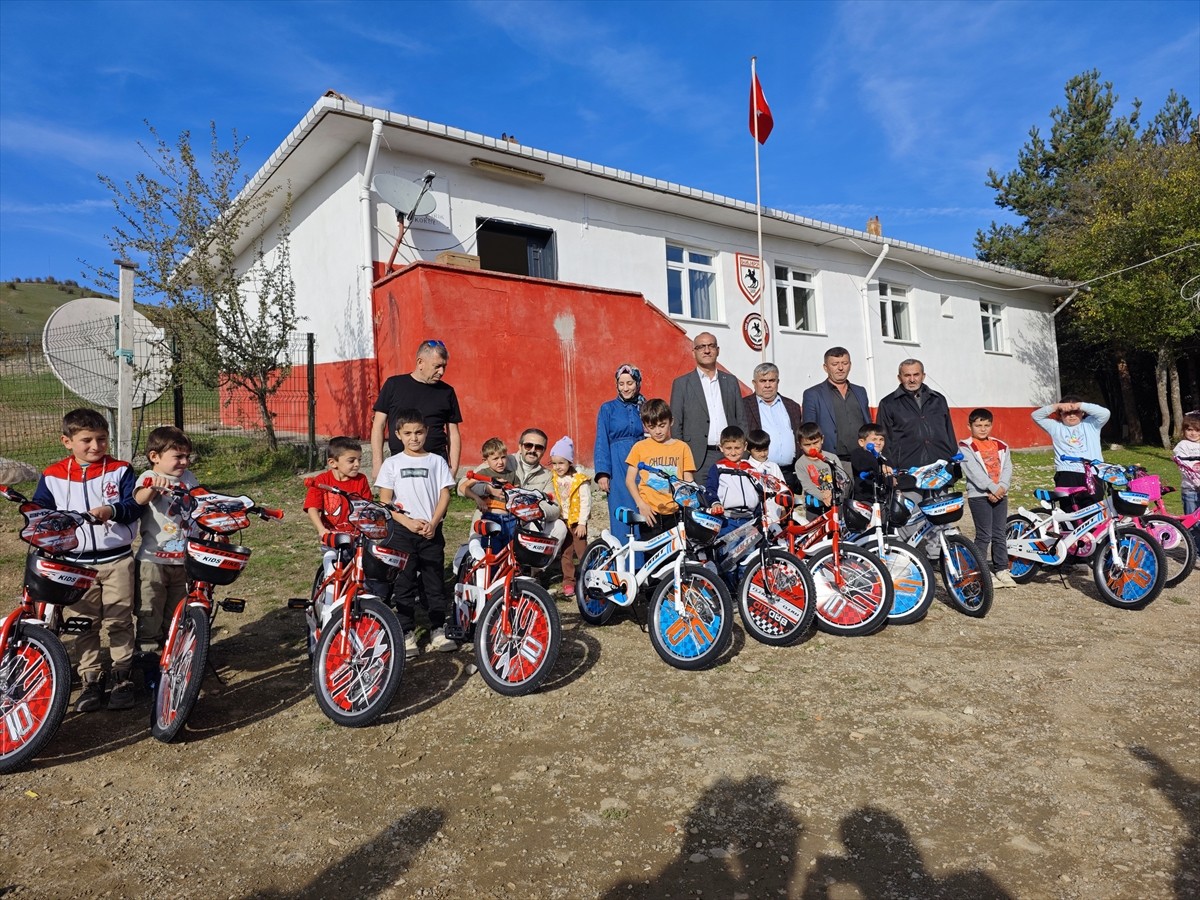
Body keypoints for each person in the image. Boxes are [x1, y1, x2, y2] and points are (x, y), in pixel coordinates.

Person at [33, 408, 141, 712]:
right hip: (75, 565)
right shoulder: (53, 475)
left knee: (120, 619)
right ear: (67, 441)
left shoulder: (121, 470)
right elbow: (41, 511)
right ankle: (91, 679)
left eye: (102, 439)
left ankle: (122, 676)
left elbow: (134, 506)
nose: (96, 446)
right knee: (83, 624)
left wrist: (112, 511)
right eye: (87, 440)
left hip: (117, 559)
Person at [375, 408, 457, 658]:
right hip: (402, 533)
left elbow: (444, 494)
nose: (414, 438)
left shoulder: (436, 461)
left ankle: (437, 629)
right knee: (404, 582)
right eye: (408, 433)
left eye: (419, 432)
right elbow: (385, 500)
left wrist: (434, 521)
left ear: (427, 432)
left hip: (431, 532)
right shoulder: (392, 463)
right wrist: (407, 522)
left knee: (434, 581)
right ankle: (406, 632)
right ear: (398, 434)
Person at [133, 426, 199, 687]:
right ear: (155, 456)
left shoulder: (190, 478)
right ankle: (149, 669)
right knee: (150, 616)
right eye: (177, 456)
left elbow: (201, 505)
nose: (183, 462)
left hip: (184, 560)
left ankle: (173, 664)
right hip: (153, 561)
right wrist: (152, 487)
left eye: (186, 456)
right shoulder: (149, 475)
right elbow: (138, 499)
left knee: (176, 616)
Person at [371, 340, 462, 481]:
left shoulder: (447, 392)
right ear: (420, 362)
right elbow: (378, 425)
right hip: (400, 462)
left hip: (436, 462)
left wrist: (454, 468)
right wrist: (378, 465)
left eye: (444, 366)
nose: (441, 372)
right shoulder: (394, 385)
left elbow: (453, 432)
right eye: (437, 366)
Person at [669, 332, 746, 484]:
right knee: (703, 505)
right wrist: (683, 460)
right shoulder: (682, 384)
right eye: (701, 347)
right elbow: (676, 425)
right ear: (694, 352)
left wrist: (743, 453)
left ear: (718, 350)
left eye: (711, 346)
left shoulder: (730, 381)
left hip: (730, 454)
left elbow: (741, 419)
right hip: (698, 459)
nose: (706, 350)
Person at [959, 409, 1016, 588]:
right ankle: (981, 570)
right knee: (984, 535)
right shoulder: (965, 446)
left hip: (1000, 493)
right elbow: (973, 472)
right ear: (970, 426)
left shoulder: (1001, 446)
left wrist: (1002, 487)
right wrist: (992, 488)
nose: (982, 429)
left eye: (986, 425)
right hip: (979, 495)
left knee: (999, 534)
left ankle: (1001, 569)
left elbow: (1007, 467)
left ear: (991, 425)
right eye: (978, 425)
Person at [625, 398, 696, 539]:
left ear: (671, 421)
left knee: (676, 558)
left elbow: (689, 481)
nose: (657, 431)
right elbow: (629, 480)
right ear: (645, 426)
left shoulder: (682, 448)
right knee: (652, 557)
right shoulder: (640, 447)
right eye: (652, 427)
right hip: (650, 513)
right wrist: (641, 504)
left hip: (676, 513)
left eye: (662, 425)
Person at [801, 347, 871, 480]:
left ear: (850, 365)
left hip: (862, 460)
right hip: (830, 461)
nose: (840, 368)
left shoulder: (860, 391)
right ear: (825, 367)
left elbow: (868, 425)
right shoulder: (813, 394)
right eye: (835, 364)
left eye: (844, 363)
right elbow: (808, 431)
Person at [594, 364, 646, 542]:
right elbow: (602, 440)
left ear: (638, 383)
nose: (625, 388)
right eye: (621, 383)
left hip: (643, 463)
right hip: (618, 466)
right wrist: (603, 473)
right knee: (623, 511)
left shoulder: (645, 407)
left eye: (630, 383)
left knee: (645, 509)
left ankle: (646, 564)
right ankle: (625, 563)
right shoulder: (607, 409)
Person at [876, 359, 957, 470]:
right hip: (907, 468)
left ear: (923, 376)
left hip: (940, 465)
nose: (912, 380)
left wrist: (952, 459)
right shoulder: (888, 403)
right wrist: (888, 465)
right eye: (907, 375)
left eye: (916, 375)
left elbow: (949, 433)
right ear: (899, 378)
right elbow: (884, 437)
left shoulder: (938, 399)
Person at [741, 363, 803, 489]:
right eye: (763, 381)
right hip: (759, 473)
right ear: (754, 383)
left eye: (772, 380)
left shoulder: (792, 406)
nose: (768, 385)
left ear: (778, 382)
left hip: (790, 473)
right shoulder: (743, 406)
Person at [1031, 396, 1111, 488]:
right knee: (1068, 502)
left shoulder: (1091, 424)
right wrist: (1056, 406)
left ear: (1082, 412)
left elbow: (1105, 413)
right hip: (1066, 473)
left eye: (1076, 412)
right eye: (1067, 413)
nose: (1072, 415)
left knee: (1095, 502)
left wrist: (1080, 405)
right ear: (1060, 414)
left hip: (1092, 472)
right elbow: (1036, 416)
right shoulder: (1055, 427)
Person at [547, 436, 591, 599]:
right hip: (562, 521)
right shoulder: (553, 478)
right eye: (555, 463)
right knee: (566, 553)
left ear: (569, 462)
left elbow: (586, 501)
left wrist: (582, 523)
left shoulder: (579, 480)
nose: (558, 467)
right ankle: (568, 582)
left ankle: (587, 580)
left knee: (582, 552)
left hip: (576, 522)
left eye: (561, 463)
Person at [303, 436, 372, 537]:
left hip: (357, 537)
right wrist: (321, 529)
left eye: (359, 460)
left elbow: (368, 506)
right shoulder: (321, 481)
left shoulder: (361, 479)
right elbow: (312, 508)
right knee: (330, 554)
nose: (357, 464)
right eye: (351, 461)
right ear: (333, 463)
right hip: (332, 536)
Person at [795, 423, 846, 519]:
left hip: (835, 502)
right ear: (800, 445)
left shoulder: (831, 457)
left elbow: (842, 478)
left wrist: (832, 494)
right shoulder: (800, 463)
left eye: (815, 443)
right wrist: (822, 496)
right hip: (814, 506)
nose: (812, 447)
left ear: (822, 439)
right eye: (807, 445)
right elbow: (807, 485)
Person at [457, 437, 517, 515]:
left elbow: (518, 492)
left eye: (503, 457)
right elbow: (463, 487)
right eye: (495, 459)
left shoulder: (512, 475)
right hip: (489, 515)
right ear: (485, 461)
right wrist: (477, 499)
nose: (500, 462)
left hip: (509, 516)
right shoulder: (483, 473)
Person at [705, 426, 758, 511]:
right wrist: (715, 503)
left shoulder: (751, 469)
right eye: (728, 448)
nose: (733, 453)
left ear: (745, 446)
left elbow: (759, 492)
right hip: (728, 517)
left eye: (737, 448)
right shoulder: (718, 468)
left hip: (750, 516)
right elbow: (710, 489)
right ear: (721, 448)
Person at [746, 429, 789, 527]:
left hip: (774, 513)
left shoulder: (774, 467)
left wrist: (783, 509)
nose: (762, 454)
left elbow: (782, 490)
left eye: (765, 450)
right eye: (758, 451)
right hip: (754, 515)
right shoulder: (746, 467)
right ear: (748, 449)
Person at [1172, 412, 1200, 543]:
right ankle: (1195, 552)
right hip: (1191, 491)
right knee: (1192, 523)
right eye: (1189, 430)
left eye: (1197, 430)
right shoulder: (1182, 446)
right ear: (1184, 430)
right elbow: (1185, 467)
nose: (1193, 433)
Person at [848, 423, 893, 499]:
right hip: (864, 499)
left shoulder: (885, 459)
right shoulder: (858, 454)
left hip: (882, 501)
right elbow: (865, 464)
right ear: (862, 442)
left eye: (881, 439)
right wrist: (880, 466)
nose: (878, 443)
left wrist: (892, 479)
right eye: (874, 439)